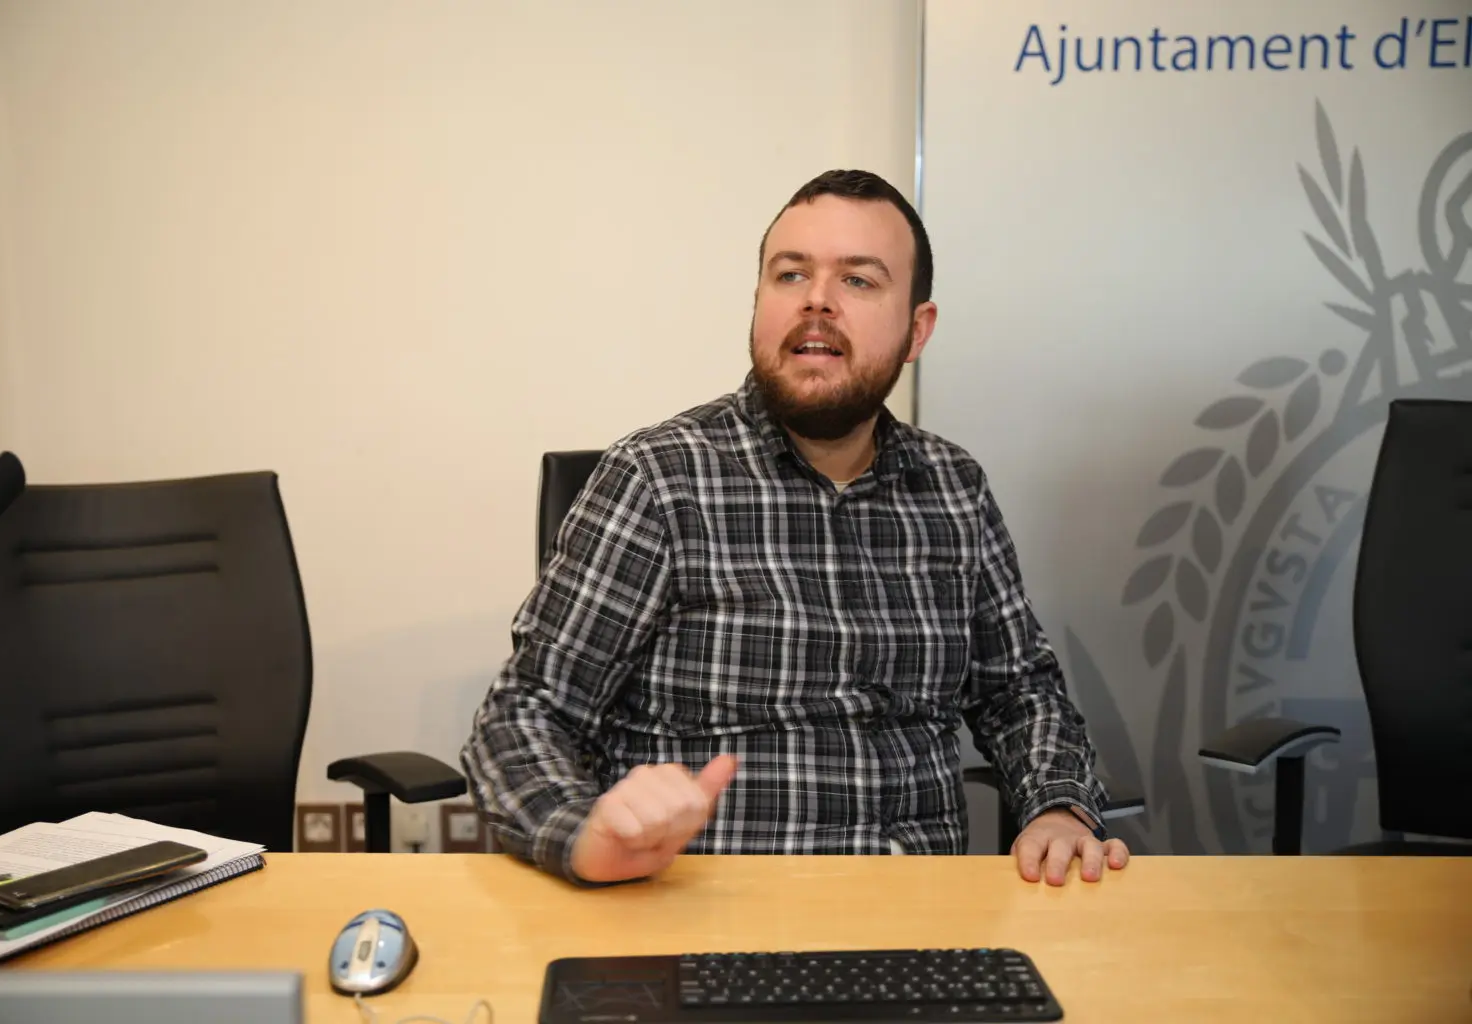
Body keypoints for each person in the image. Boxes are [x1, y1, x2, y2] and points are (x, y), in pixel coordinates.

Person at [460, 169, 1130, 888]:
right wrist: (583, 835)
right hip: (711, 917)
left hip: (920, 920)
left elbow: (1019, 692)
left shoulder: (953, 486)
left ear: (917, 330)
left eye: (859, 280)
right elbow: (525, 715)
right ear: (759, 305)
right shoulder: (660, 479)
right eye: (791, 275)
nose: (816, 300)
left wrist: (1057, 805)